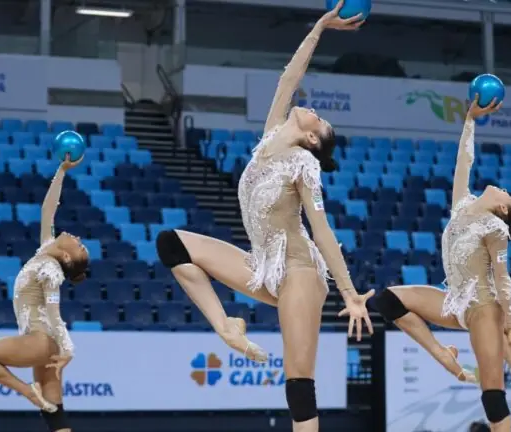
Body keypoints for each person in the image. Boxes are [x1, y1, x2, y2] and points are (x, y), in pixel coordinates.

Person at [155, 3, 370, 431]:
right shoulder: (273, 135)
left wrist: (349, 294)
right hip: (261, 265)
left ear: (312, 139)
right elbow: (289, 77)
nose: (313, 110)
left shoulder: (302, 164)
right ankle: (225, 326)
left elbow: (322, 230)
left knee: (298, 383)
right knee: (172, 244)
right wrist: (319, 27)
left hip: (299, 272)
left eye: (320, 120)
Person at [382, 95, 511, 431]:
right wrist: (469, 120)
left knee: (491, 394)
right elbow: (463, 162)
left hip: (485, 307)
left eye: (508, 196)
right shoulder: (463, 206)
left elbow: (503, 278)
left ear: (504, 211)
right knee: (387, 299)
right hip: (454, 301)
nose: (504, 189)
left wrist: (509, 323)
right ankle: (440, 352)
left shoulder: (496, 229)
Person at [0, 156, 88, 432]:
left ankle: (29, 393)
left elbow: (55, 313)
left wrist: (69, 349)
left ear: (66, 257)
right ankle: (38, 397)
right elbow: (48, 210)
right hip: (44, 343)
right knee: (55, 415)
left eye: (80, 247)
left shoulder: (50, 269)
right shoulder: (45, 251)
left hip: (41, 340)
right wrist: (62, 171)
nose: (79, 240)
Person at [373, 283, 511, 393]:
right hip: (460, 299)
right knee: (387, 300)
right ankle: (442, 354)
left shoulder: (494, 234)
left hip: (481, 302)